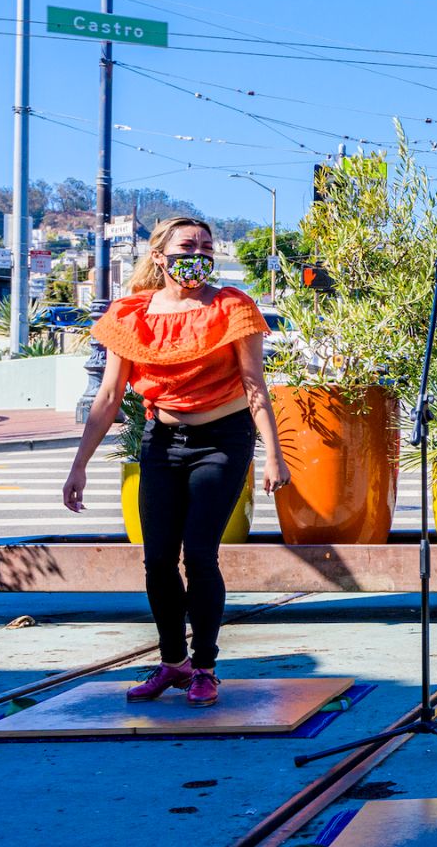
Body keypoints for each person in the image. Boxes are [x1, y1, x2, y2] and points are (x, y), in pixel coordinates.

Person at [62, 216, 290, 707]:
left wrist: (273, 455)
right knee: (158, 559)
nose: (199, 254)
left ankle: (205, 666)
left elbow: (255, 385)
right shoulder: (130, 314)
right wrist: (79, 464)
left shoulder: (234, 306)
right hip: (162, 440)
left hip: (223, 439)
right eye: (188, 245)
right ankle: (173, 663)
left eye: (207, 246)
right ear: (160, 256)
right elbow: (107, 396)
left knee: (200, 554)